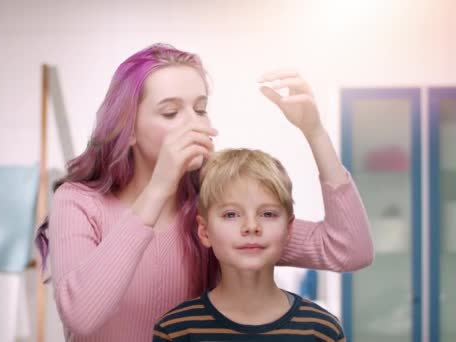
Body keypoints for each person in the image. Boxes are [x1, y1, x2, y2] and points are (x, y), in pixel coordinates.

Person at [35, 43, 373, 341]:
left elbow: (348, 250)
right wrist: (159, 187)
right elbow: (81, 316)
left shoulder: (213, 206)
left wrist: (314, 132)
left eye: (199, 109)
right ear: (129, 131)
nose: (193, 124)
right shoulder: (79, 202)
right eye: (170, 112)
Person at [153, 148, 345, 341]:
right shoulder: (175, 330)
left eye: (267, 214)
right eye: (231, 214)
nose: (251, 226)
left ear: (289, 229)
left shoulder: (322, 330)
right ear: (204, 231)